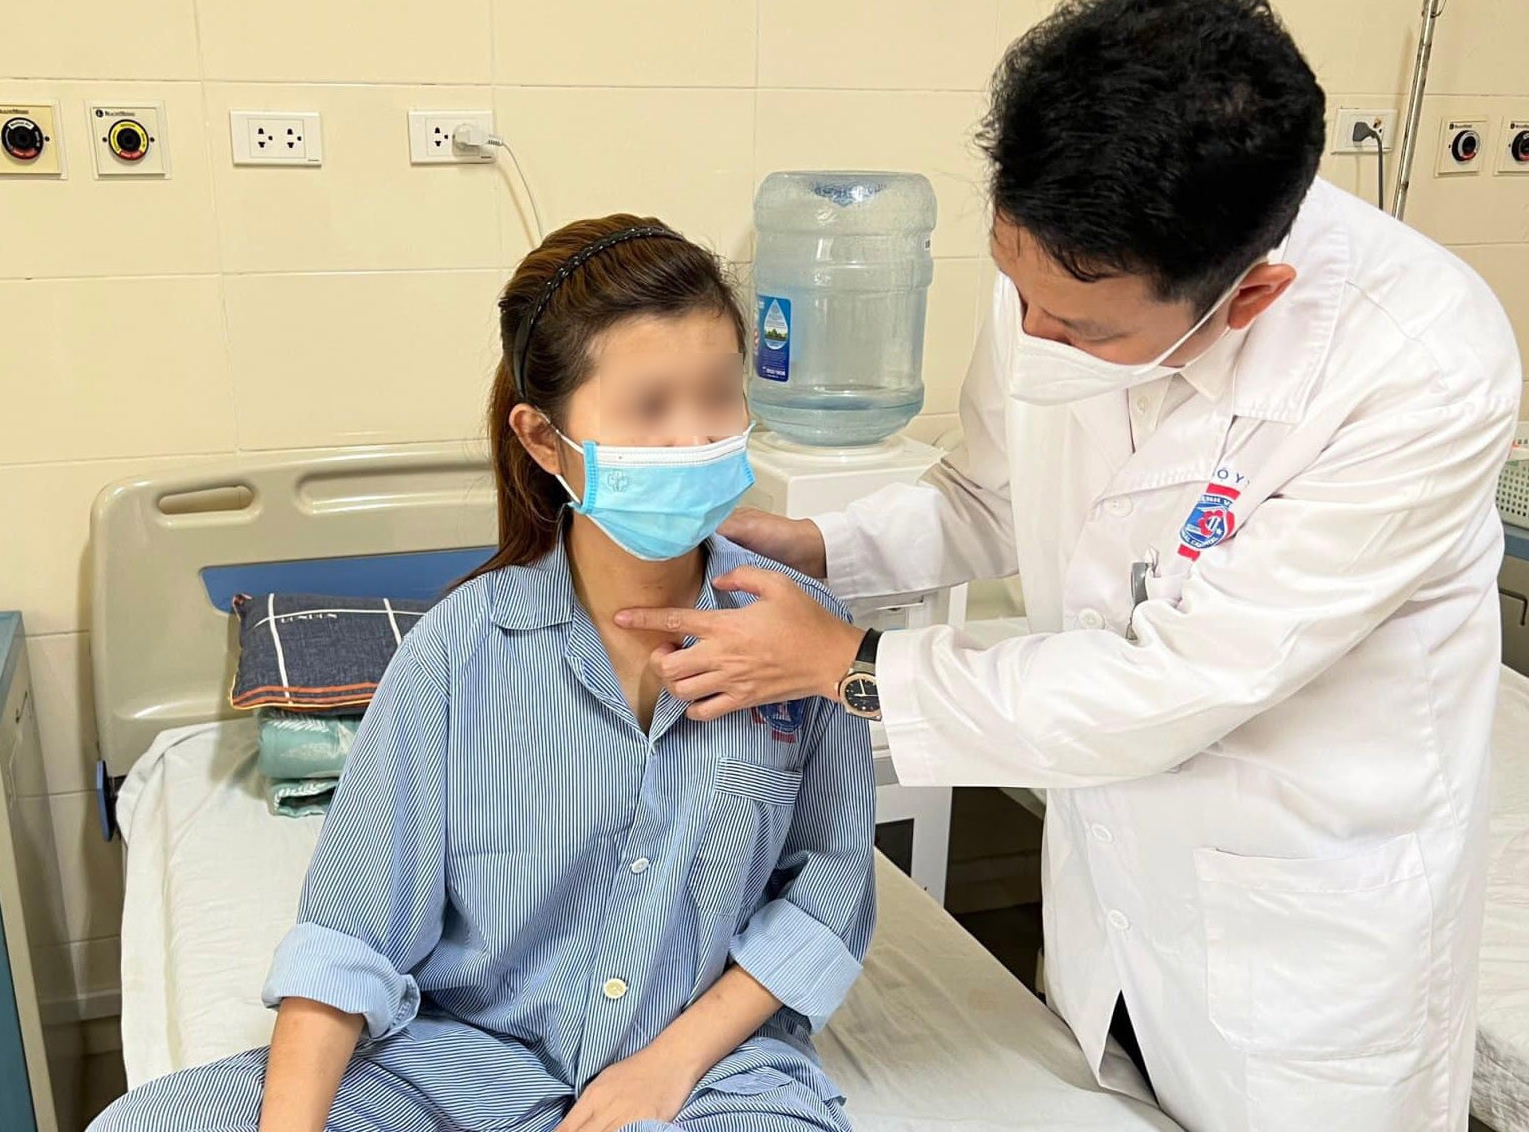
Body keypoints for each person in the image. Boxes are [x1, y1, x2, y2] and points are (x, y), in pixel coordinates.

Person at [615, 1, 1523, 1128]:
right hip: (1114, 890)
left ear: (1248, 295)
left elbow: (1176, 683)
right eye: (1015, 287)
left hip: (1304, 945)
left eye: (1082, 330)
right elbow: (988, 492)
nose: (1033, 334)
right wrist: (824, 547)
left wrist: (848, 664)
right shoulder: (1064, 258)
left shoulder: (1418, 369)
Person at [90, 215, 876, 1132]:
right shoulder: (459, 651)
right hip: (458, 1062)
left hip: (712, 1074)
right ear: (545, 440)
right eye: (651, 407)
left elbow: (827, 894)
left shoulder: (804, 636)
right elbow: (352, 934)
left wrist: (664, 1069)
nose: (694, 437)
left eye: (718, 396)